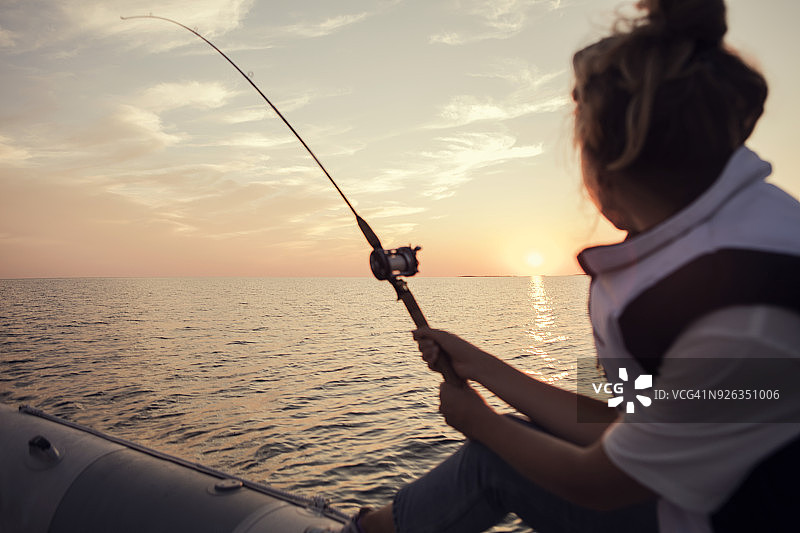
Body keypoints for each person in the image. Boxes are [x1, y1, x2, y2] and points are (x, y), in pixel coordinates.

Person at [316, 0, 800, 531]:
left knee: (491, 458)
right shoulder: (724, 239)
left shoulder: (738, 312)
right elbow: (615, 417)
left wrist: (480, 422)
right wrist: (480, 364)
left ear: (604, 160)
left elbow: (602, 482)